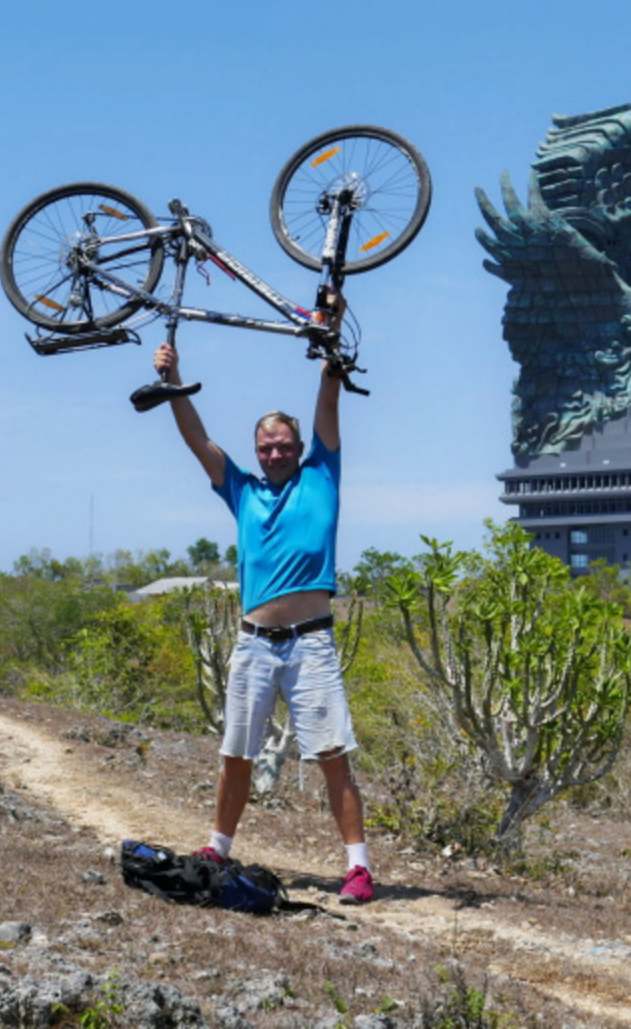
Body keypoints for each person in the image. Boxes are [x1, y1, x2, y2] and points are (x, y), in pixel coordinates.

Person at [151, 326, 373, 905]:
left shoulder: (322, 476)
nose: (275, 453)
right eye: (266, 446)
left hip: (311, 645)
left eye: (283, 445)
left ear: (299, 448)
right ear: (256, 452)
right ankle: (217, 848)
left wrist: (331, 342)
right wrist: (173, 380)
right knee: (235, 754)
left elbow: (329, 398)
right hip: (254, 643)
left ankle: (358, 868)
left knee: (331, 756)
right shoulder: (241, 490)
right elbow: (195, 437)